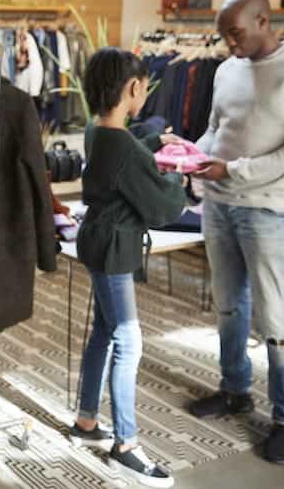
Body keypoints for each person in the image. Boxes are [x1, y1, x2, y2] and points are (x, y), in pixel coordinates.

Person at [189, 0, 284, 465]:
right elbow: (216, 128)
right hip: (218, 205)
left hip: (269, 210)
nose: (229, 44)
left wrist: (236, 169)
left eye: (236, 33)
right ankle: (234, 390)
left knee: (275, 316)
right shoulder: (227, 69)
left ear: (264, 20)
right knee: (229, 307)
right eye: (223, 36)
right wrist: (190, 154)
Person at [70, 48, 186, 488]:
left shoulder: (95, 131)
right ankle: (126, 444)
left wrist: (155, 144)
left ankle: (85, 420)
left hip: (98, 241)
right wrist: (179, 177)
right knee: (128, 341)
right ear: (135, 88)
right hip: (115, 248)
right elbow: (160, 207)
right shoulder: (121, 145)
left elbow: (127, 150)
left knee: (104, 331)